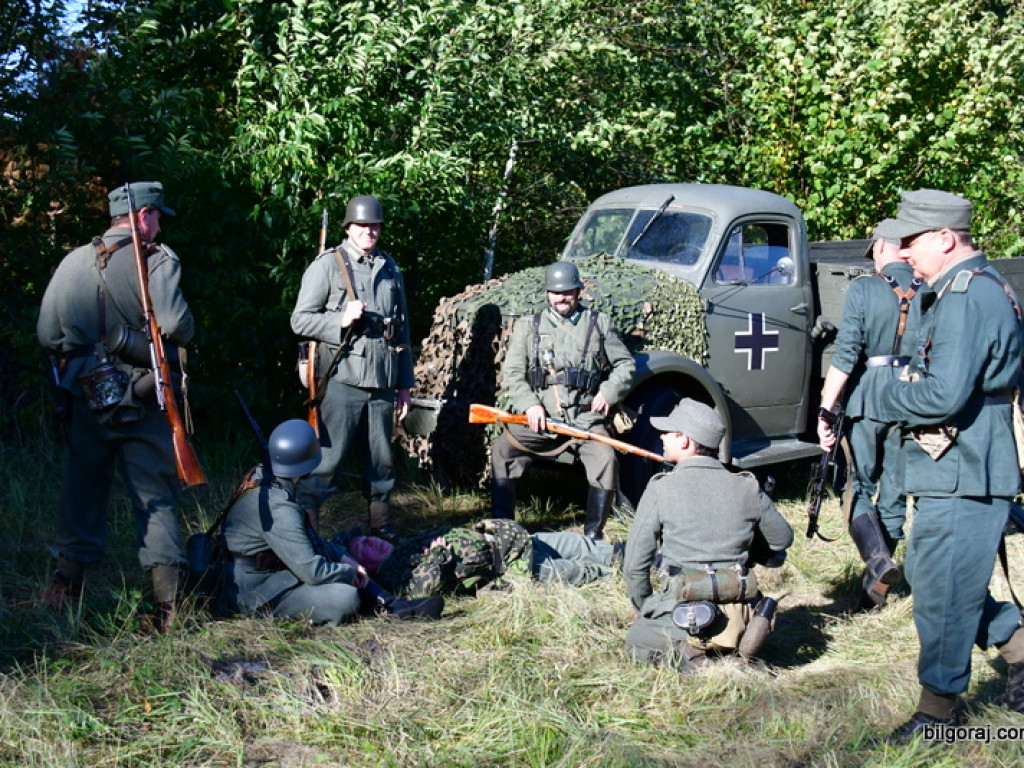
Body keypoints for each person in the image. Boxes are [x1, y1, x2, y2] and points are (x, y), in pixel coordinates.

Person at [873, 190, 1024, 739]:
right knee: (941, 578)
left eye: (911, 242)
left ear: (944, 238)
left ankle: (938, 714)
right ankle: (1020, 651)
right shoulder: (972, 287)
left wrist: (875, 397)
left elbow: (941, 395)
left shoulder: (965, 296)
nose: (903, 252)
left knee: (941, 595)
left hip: (966, 463)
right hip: (959, 462)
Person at [37, 181, 194, 632]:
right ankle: (168, 609)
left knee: (83, 489)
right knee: (155, 497)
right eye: (157, 216)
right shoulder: (156, 259)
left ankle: (64, 588)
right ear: (142, 216)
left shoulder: (72, 262)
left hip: (86, 397)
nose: (159, 224)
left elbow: (47, 335)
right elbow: (178, 326)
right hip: (141, 396)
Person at [216, 419, 442, 624]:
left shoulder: (266, 477)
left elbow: (308, 540)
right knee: (344, 596)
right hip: (251, 593)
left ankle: (392, 603)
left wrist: (347, 560)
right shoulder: (279, 507)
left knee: (340, 556)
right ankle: (388, 605)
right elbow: (312, 571)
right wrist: (349, 573)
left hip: (267, 574)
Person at [623, 398, 793, 669]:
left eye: (669, 432)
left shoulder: (661, 488)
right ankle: (737, 647)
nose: (662, 437)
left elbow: (634, 565)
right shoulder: (747, 485)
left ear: (686, 441)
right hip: (739, 607)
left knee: (636, 644)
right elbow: (782, 539)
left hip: (681, 608)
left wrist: (646, 607)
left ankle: (696, 657)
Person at [290, 195, 414, 534]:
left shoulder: (390, 267)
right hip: (342, 376)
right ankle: (306, 529)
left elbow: (401, 329)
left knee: (382, 461)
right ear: (348, 227)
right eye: (362, 225)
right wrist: (340, 320)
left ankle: (381, 527)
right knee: (327, 460)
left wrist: (404, 384)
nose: (369, 231)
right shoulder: (328, 264)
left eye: (374, 226)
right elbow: (300, 320)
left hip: (382, 379)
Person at [817, 219, 924, 608]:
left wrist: (826, 407)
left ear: (881, 247)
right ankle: (876, 586)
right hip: (915, 397)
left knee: (855, 484)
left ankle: (877, 562)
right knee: (895, 490)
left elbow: (846, 354)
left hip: (869, 397)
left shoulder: (864, 287)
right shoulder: (929, 289)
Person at [490, 261, 635, 539]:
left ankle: (593, 535)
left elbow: (625, 365)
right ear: (547, 294)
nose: (561, 298)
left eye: (567, 292)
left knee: (605, 458)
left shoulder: (599, 323)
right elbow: (512, 374)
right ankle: (503, 530)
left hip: (584, 419)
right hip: (541, 419)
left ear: (578, 291)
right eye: (556, 293)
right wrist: (530, 404)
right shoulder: (528, 326)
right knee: (503, 450)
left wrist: (608, 391)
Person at [344, 519, 625, 598]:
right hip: (509, 567)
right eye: (363, 548)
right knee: (574, 572)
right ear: (365, 566)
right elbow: (423, 590)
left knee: (572, 541)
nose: (372, 542)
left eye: (368, 537)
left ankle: (626, 554)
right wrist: (439, 555)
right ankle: (624, 577)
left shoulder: (405, 545)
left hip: (509, 539)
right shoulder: (396, 577)